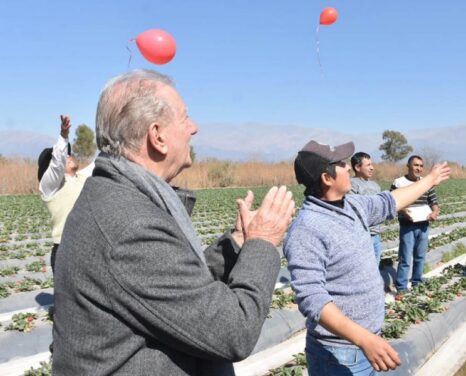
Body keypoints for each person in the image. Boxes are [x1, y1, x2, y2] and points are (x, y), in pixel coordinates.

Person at [52, 69, 295, 375]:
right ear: (158, 136)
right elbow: (233, 331)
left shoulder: (121, 198)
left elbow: (176, 281)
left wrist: (237, 242)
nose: (194, 128)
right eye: (184, 118)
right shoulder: (129, 225)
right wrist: (262, 243)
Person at [284, 140, 450, 375]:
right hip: (338, 354)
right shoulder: (307, 229)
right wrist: (363, 339)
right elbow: (312, 298)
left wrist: (430, 180)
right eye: (342, 164)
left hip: (366, 343)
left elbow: (391, 200)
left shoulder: (352, 205)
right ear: (327, 178)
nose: (349, 168)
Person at [37, 115, 92, 272]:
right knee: (67, 297)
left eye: (69, 154)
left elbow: (101, 161)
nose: (69, 156)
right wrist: (63, 136)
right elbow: (57, 164)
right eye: (65, 155)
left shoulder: (82, 177)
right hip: (66, 251)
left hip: (90, 249)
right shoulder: (50, 187)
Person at [391, 155, 440, 293]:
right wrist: (403, 211)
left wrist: (434, 212)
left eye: (421, 166)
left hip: (423, 224)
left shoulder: (426, 183)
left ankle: (417, 282)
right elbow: (392, 202)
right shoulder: (399, 183)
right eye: (415, 165)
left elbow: (434, 203)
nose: (418, 168)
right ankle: (401, 286)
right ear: (408, 166)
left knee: (420, 256)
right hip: (407, 225)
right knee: (405, 257)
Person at [349, 152, 383, 265]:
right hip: (361, 236)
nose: (372, 168)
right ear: (357, 167)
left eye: (371, 164)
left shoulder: (375, 186)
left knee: (375, 268)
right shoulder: (351, 184)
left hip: (375, 235)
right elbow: (354, 209)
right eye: (368, 165)